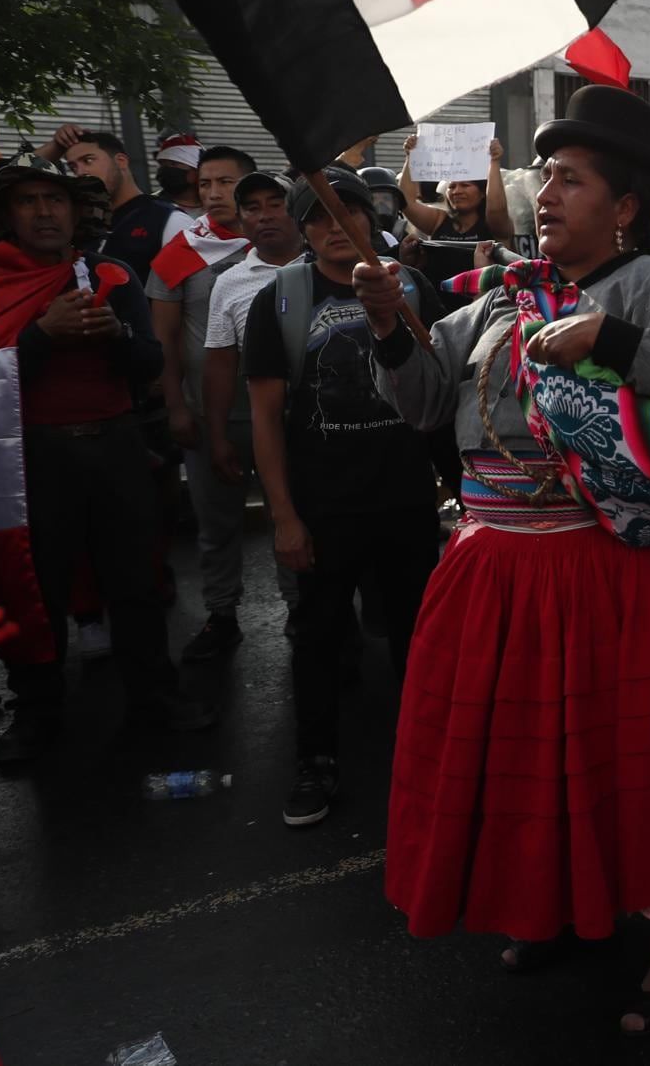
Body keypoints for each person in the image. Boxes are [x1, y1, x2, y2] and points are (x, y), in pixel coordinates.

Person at [356, 85, 650, 1036]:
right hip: (499, 577)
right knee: (538, 771)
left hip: (616, 580)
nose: (546, 195)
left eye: (571, 179)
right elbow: (425, 403)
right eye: (545, 177)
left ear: (624, 205)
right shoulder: (504, 296)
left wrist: (612, 339)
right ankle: (567, 909)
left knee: (637, 771)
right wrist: (390, 325)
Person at [0, 163, 214, 767]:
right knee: (34, 590)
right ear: (7, 216)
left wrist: (115, 333)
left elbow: (145, 367)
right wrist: (41, 335)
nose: (43, 212)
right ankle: (37, 713)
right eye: (28, 201)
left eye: (54, 200)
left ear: (74, 211)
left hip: (113, 449)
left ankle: (155, 698)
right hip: (30, 461)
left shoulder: (112, 275)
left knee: (136, 582)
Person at [241, 168, 443, 826]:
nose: (335, 229)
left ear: (369, 218)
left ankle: (433, 761)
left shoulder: (412, 288)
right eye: (320, 218)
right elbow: (266, 418)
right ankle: (316, 761)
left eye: (347, 213)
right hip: (325, 508)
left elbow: (443, 390)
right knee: (318, 639)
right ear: (304, 231)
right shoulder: (279, 300)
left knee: (421, 636)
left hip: (407, 500)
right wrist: (284, 518)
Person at [146, 145, 258, 659]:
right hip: (210, 414)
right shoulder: (179, 254)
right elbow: (163, 340)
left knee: (298, 514)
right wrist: (176, 407)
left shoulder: (284, 244)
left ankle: (308, 612)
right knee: (217, 526)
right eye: (206, 183)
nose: (213, 193)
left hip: (282, 414)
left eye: (226, 182)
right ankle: (221, 615)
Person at [199, 171, 306, 645]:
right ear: (240, 219)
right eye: (253, 208)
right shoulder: (231, 283)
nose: (264, 216)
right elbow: (220, 365)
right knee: (248, 524)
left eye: (274, 204)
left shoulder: (329, 265)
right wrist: (217, 434)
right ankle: (241, 613)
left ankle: (316, 617)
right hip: (259, 425)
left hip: (320, 429)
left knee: (311, 524)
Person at [53, 127, 195, 286]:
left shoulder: (169, 220)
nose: (80, 172)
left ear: (121, 161)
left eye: (88, 160)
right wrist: (54, 147)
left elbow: (194, 296)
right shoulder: (81, 223)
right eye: (73, 167)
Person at [395, 135, 513, 243]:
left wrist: (494, 161)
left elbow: (496, 208)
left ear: (483, 192)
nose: (456, 191)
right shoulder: (438, 220)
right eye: (451, 187)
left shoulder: (494, 224)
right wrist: (411, 156)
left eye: (465, 185)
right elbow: (406, 201)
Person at [153, 132, 204, 212]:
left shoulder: (216, 206)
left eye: (173, 164)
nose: (165, 169)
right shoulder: (150, 206)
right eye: (162, 164)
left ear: (195, 171)